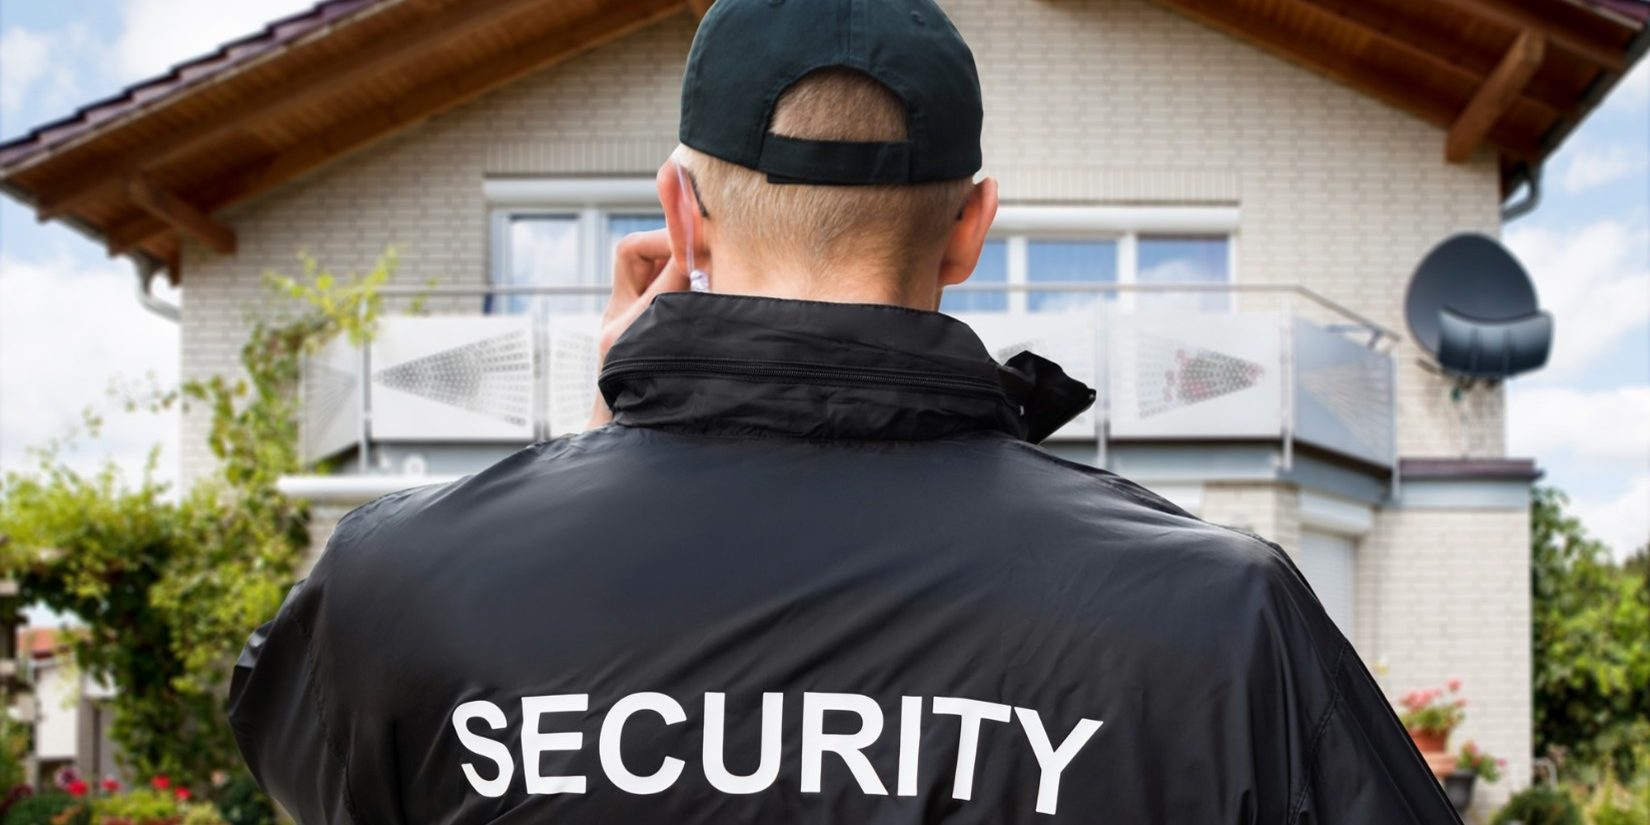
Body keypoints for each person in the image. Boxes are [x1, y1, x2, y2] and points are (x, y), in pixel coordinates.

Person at [227, 1, 1464, 822]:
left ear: (682, 211)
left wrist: (597, 452)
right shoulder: (1222, 619)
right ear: (974, 224)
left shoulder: (403, 582)